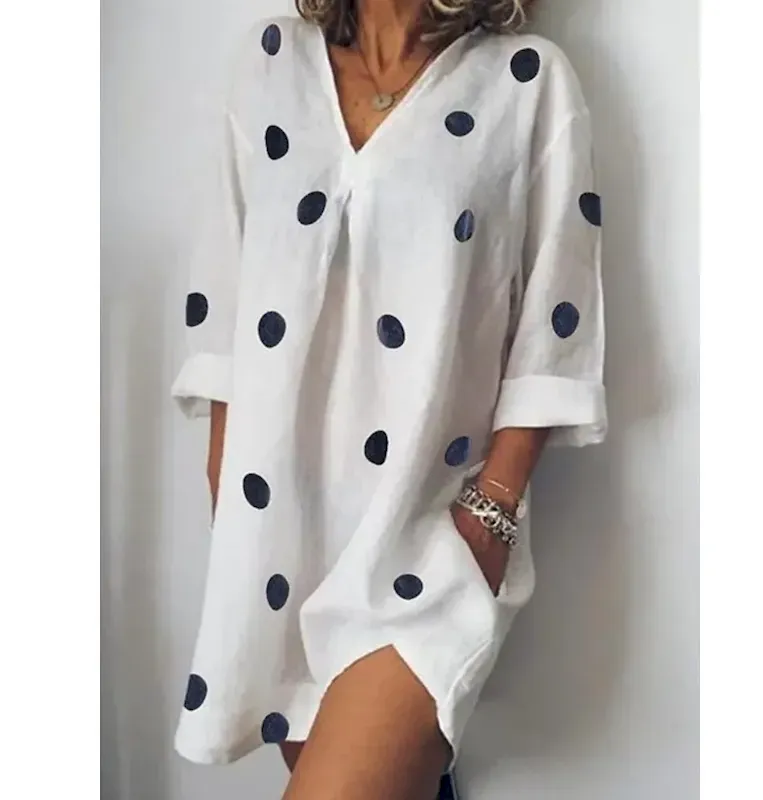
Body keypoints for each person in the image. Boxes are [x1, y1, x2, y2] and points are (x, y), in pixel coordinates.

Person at [170, 0, 607, 797]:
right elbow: (222, 306)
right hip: (282, 541)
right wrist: (230, 499)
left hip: (427, 540)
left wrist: (490, 516)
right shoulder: (270, 62)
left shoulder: (526, 81)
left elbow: (556, 321)